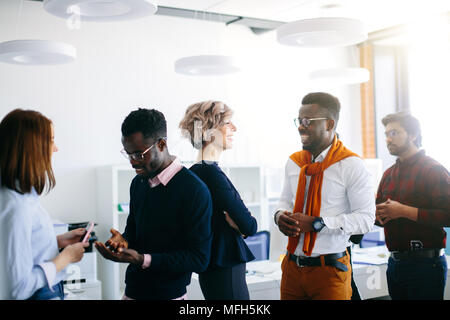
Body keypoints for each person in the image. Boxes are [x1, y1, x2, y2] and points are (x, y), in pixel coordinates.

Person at [95, 108, 213, 300]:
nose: (133, 162)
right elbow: (134, 233)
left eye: (139, 154)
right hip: (132, 291)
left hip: (168, 295)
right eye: (128, 154)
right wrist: (122, 241)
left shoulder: (194, 190)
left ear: (162, 144)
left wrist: (143, 259)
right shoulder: (139, 183)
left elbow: (199, 259)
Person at [274, 92, 375, 300]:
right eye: (299, 121)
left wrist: (318, 223)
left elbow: (366, 219)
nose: (300, 126)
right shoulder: (294, 162)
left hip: (329, 271)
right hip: (292, 267)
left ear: (329, 124)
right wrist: (279, 216)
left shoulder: (352, 165)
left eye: (307, 121)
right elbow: (285, 201)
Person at [0, 109, 89, 300]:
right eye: (51, 140)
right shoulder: (17, 208)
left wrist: (56, 242)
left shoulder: (22, 197)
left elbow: (18, 252)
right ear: (32, 147)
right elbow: (18, 289)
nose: (55, 148)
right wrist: (64, 258)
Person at [179, 100, 257, 300]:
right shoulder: (210, 173)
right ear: (209, 130)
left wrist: (240, 225)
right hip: (225, 268)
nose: (234, 128)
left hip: (215, 267)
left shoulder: (195, 172)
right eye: (227, 123)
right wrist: (242, 227)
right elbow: (250, 225)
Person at [376, 112, 449, 300]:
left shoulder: (433, 170)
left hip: (426, 265)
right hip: (395, 264)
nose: (388, 139)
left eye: (394, 133)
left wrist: (404, 211)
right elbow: (380, 218)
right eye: (386, 134)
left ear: (413, 135)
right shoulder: (388, 174)